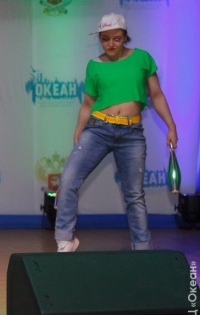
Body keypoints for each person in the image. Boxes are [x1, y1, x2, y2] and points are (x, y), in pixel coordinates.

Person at [54, 13, 178, 252]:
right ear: (100, 39)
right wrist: (78, 130)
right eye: (105, 39)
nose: (110, 44)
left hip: (132, 134)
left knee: (134, 195)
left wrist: (171, 126)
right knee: (68, 179)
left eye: (117, 38)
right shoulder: (94, 65)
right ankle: (65, 239)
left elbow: (156, 95)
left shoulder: (142, 58)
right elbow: (88, 104)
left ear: (125, 37)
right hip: (97, 130)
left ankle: (142, 249)